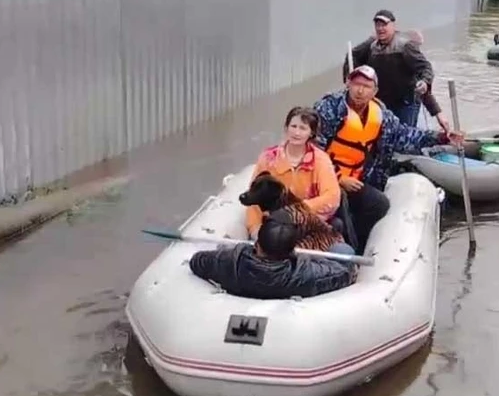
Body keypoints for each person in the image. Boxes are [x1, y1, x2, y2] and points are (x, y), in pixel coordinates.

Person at [314, 64, 465, 254]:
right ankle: (350, 251)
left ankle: (362, 244)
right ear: (347, 84)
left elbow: (405, 136)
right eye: (356, 84)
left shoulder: (382, 116)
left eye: (366, 86)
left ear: (375, 91)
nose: (360, 91)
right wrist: (338, 179)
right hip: (326, 178)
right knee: (340, 203)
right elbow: (314, 149)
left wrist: (441, 137)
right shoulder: (329, 109)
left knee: (379, 204)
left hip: (360, 178)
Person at [189, 215, 356, 299]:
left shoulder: (228, 262)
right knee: (343, 250)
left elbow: (197, 261)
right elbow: (344, 274)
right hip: (290, 286)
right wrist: (309, 259)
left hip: (244, 281)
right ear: (292, 250)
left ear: (257, 244)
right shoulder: (307, 275)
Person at [244, 107, 342, 243]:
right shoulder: (267, 159)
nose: (296, 132)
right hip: (274, 227)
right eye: (293, 126)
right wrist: (255, 229)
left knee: (342, 246)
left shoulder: (321, 160)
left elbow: (332, 197)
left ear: (311, 133)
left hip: (309, 225)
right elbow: (254, 199)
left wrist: (293, 213)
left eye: (303, 128)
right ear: (286, 128)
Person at [344, 9, 449, 131]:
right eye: (377, 25)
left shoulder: (405, 46)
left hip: (406, 103)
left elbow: (425, 68)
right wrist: (350, 79)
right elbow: (352, 56)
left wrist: (437, 111)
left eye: (384, 24)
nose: (380, 28)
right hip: (383, 101)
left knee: (406, 136)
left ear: (393, 25)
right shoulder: (371, 46)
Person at [403, 29, 445, 128]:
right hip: (408, 104)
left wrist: (437, 111)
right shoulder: (409, 56)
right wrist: (437, 112)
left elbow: (423, 87)